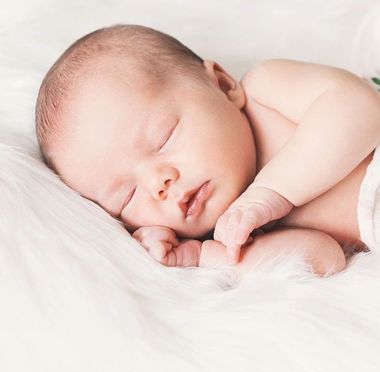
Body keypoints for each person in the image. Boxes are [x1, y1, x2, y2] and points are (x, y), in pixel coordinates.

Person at [35, 24, 380, 277]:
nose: (159, 184)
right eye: (126, 196)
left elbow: (359, 108)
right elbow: (321, 258)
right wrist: (204, 255)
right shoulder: (241, 226)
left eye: (163, 138)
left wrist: (272, 192)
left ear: (223, 84)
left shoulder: (265, 89)